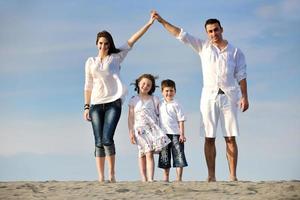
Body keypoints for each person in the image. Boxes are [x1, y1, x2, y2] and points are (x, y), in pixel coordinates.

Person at [153, 11, 249, 182]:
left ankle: (233, 176)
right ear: (207, 33)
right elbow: (180, 34)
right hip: (209, 98)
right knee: (209, 137)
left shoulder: (235, 52)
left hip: (229, 97)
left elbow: (241, 75)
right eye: (210, 31)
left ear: (222, 29)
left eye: (216, 30)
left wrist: (245, 97)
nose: (214, 34)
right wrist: (161, 21)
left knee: (230, 137)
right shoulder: (203, 46)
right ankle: (211, 176)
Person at [83, 12, 156, 183]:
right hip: (95, 104)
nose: (103, 46)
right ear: (96, 44)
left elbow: (132, 40)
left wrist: (149, 23)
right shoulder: (90, 62)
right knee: (98, 141)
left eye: (106, 44)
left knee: (107, 138)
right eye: (100, 43)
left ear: (110, 45)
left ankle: (112, 174)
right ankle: (101, 177)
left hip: (113, 104)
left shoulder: (116, 57)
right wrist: (86, 107)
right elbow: (88, 86)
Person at [128, 74, 171, 182]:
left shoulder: (154, 99)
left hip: (152, 129)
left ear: (151, 87)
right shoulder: (133, 100)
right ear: (138, 83)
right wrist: (131, 132)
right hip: (139, 130)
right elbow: (130, 117)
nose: (145, 86)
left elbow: (160, 114)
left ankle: (150, 178)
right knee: (144, 152)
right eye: (143, 83)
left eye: (148, 85)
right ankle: (144, 177)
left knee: (147, 152)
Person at [158, 79, 188, 182]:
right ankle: (166, 178)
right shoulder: (159, 103)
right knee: (164, 156)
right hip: (163, 134)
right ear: (162, 92)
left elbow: (181, 120)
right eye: (166, 91)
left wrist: (182, 134)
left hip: (176, 134)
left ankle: (179, 178)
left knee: (178, 155)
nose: (169, 93)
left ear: (175, 91)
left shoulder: (177, 104)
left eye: (171, 90)